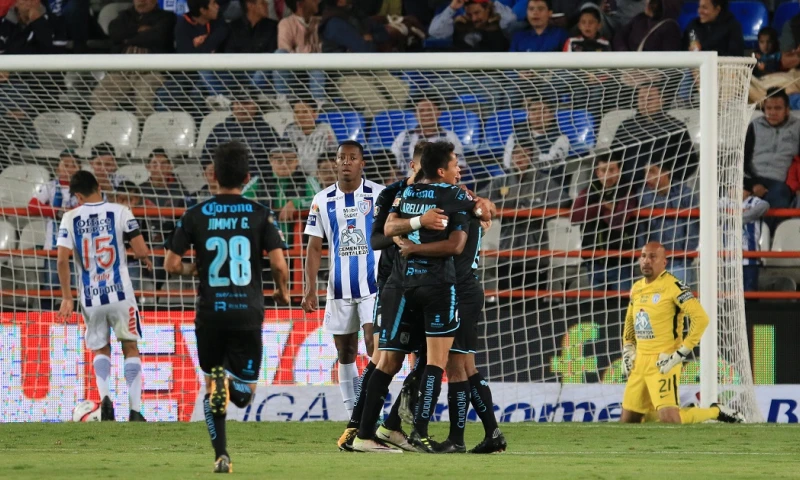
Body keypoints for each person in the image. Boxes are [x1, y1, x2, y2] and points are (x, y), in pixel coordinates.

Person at [164, 141, 290, 473]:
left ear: (213, 176)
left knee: (210, 384)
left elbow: (171, 264)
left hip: (209, 313)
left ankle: (221, 456)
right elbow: (279, 264)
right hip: (247, 312)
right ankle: (232, 386)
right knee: (245, 393)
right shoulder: (261, 213)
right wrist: (282, 292)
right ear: (247, 177)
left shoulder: (195, 214)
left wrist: (194, 270)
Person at [361, 141, 491, 453]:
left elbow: (389, 227)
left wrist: (415, 228)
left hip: (404, 284)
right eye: (456, 164)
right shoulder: (455, 195)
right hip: (441, 286)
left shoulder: (406, 194)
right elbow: (458, 243)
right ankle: (419, 430)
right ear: (442, 169)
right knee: (437, 362)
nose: (459, 169)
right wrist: (480, 210)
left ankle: (367, 434)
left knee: (387, 360)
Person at [337, 141, 435, 452]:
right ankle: (358, 428)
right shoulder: (391, 194)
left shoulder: (440, 193)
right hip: (393, 284)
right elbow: (376, 239)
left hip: (426, 285)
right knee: (382, 358)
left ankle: (391, 425)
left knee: (428, 359)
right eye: (424, 169)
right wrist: (406, 231)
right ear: (413, 166)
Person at [395, 193, 506, 453]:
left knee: (457, 367)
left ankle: (458, 438)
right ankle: (491, 433)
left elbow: (484, 211)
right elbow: (487, 207)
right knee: (466, 366)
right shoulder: (468, 205)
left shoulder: (455, 207)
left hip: (460, 292)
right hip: (467, 289)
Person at [56, 170, 153, 423]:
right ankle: (135, 411)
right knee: (130, 346)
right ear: (98, 186)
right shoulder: (120, 210)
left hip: (90, 297)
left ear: (77, 195)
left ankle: (106, 400)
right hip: (121, 293)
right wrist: (144, 259)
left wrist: (67, 297)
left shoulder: (70, 217)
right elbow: (141, 248)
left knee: (101, 347)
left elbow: (61, 259)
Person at [301, 140, 384, 421]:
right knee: (345, 350)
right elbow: (314, 247)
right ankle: (353, 417)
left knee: (375, 344)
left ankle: (373, 411)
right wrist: (309, 289)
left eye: (352, 157)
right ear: (336, 163)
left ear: (362, 163)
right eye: (341, 158)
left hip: (374, 286)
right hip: (338, 288)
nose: (346, 162)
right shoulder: (321, 199)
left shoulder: (379, 195)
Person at [619, 241, 745, 424]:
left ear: (664, 262)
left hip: (663, 361)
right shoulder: (637, 288)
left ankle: (714, 412)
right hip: (640, 361)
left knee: (671, 420)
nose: (646, 261)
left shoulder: (674, 286)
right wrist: (628, 348)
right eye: (644, 256)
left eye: (653, 257)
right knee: (629, 421)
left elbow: (701, 318)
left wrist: (680, 353)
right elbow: (630, 321)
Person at [92, 0, 174, 120]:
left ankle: (142, 133)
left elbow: (157, 36)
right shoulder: (124, 16)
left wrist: (127, 39)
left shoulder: (167, 17)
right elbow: (114, 33)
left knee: (145, 92)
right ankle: (111, 133)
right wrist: (138, 30)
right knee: (99, 95)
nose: (141, 2)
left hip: (151, 72)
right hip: (123, 72)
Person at [570, 151, 637, 292]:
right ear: (597, 172)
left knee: (623, 308)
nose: (607, 175)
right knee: (598, 310)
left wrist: (593, 211)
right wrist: (603, 207)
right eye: (603, 170)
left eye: (612, 170)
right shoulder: (588, 191)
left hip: (620, 263)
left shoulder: (628, 190)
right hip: (594, 262)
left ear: (619, 171)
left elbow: (617, 221)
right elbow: (574, 216)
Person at [28, 150, 80, 295]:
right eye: (66, 165)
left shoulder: (83, 188)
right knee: (50, 286)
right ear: (58, 168)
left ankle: (77, 316)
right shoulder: (49, 186)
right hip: (53, 246)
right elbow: (32, 205)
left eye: (74, 165)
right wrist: (56, 212)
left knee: (78, 287)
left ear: (79, 169)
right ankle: (47, 316)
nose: (69, 168)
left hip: (78, 248)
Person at [638, 163, 698, 288]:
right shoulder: (642, 196)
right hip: (653, 264)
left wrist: (687, 256)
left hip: (679, 262)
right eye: (646, 173)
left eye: (652, 172)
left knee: (680, 305)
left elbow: (693, 229)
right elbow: (641, 230)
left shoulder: (685, 194)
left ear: (665, 173)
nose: (647, 177)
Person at [744, 88, 800, 215]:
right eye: (769, 108)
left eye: (778, 108)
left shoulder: (797, 128)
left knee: (780, 194)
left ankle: (769, 233)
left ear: (787, 110)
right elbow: (743, 160)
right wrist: (752, 185)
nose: (772, 112)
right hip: (752, 178)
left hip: (779, 181)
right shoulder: (754, 126)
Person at [390, 98, 464, 172]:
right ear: (415, 115)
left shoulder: (449, 137)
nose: (426, 114)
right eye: (421, 110)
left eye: (430, 110)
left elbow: (460, 166)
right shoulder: (404, 136)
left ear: (438, 113)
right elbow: (391, 163)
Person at [428, 0, 517, 52]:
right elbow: (434, 31)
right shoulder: (460, 23)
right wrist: (452, 8)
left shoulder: (500, 22)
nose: (474, 18)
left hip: (491, 75)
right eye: (469, 14)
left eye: (477, 13)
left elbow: (511, 20)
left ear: (488, 9)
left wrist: (491, 3)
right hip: (461, 74)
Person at [283, 99, 338, 176]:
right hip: (298, 177)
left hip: (321, 175)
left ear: (315, 115)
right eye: (296, 112)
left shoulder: (324, 129)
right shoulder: (290, 131)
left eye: (305, 112)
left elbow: (333, 153)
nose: (300, 115)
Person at [612, 0, 681, 52]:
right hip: (629, 65)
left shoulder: (670, 28)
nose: (646, 2)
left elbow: (668, 60)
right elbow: (620, 35)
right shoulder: (640, 18)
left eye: (652, 1)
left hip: (649, 69)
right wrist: (624, 53)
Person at [742, 179, 769, 292]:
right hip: (729, 259)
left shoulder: (754, 202)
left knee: (750, 292)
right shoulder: (725, 201)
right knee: (730, 296)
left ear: (748, 191)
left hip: (750, 258)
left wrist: (740, 218)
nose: (732, 191)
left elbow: (765, 205)